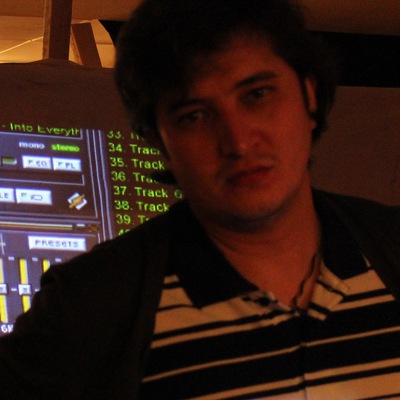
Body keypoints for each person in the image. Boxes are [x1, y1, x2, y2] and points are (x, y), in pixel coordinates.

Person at [1, 0, 400, 398]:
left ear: (309, 97)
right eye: (194, 115)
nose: (238, 141)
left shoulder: (390, 246)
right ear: (158, 141)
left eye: (257, 95)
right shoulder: (91, 306)